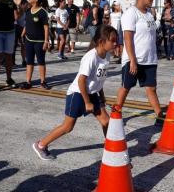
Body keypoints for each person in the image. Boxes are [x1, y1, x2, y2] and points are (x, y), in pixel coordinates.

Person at [32, 25, 117, 160]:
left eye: (115, 40)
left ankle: (112, 148)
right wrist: (87, 102)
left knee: (107, 122)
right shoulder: (91, 57)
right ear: (102, 41)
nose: (115, 43)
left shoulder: (106, 56)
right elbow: (81, 81)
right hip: (77, 94)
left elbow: (98, 80)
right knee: (68, 127)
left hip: (92, 93)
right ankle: (41, 145)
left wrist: (102, 97)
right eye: (112, 40)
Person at [116, 0, 164, 126]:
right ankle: (116, 114)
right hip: (134, 59)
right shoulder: (131, 13)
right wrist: (132, 60)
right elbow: (127, 38)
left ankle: (159, 115)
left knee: (151, 89)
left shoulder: (149, 14)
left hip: (149, 59)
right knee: (126, 87)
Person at [20, 0, 50, 90]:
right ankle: (28, 82)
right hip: (29, 40)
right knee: (29, 62)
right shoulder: (28, 10)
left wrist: (46, 41)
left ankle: (43, 81)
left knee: (41, 61)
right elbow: (26, 24)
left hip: (40, 41)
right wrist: (22, 34)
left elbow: (46, 28)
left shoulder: (42, 12)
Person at [13, 0, 28, 67]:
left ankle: (24, 60)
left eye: (27, 5)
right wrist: (19, 8)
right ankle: (12, 61)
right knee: (14, 46)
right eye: (26, 5)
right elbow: (16, 18)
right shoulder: (18, 10)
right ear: (22, 5)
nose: (27, 6)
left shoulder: (27, 11)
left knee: (23, 45)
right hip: (17, 28)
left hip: (23, 29)